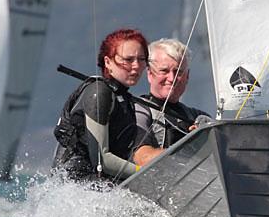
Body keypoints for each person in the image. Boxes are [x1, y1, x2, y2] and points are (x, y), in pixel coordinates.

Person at [53, 29, 148, 182]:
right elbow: (102, 161)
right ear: (108, 62)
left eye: (141, 59)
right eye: (128, 60)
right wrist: (148, 173)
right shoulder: (99, 92)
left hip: (106, 187)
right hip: (77, 189)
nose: (136, 66)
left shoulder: (124, 98)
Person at [133, 38, 210, 167]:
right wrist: (189, 147)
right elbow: (142, 158)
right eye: (164, 71)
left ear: (187, 76)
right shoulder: (138, 110)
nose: (172, 78)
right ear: (150, 74)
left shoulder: (197, 116)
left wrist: (205, 141)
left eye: (178, 72)